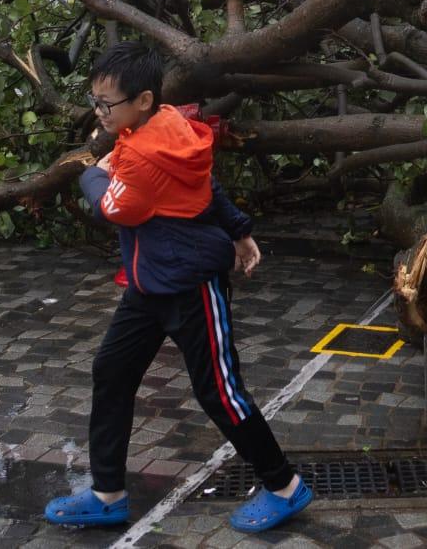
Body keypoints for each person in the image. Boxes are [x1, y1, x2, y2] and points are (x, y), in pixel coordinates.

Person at [44, 41, 314, 533]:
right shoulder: (169, 123)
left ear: (143, 100)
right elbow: (204, 187)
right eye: (95, 101)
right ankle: (108, 494)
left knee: (219, 392)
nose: (98, 112)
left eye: (107, 104)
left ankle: (286, 487)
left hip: (191, 287)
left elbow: (111, 207)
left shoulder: (145, 158)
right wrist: (240, 229)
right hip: (148, 289)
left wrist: (91, 172)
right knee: (111, 372)